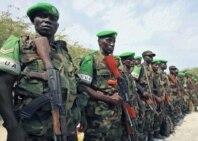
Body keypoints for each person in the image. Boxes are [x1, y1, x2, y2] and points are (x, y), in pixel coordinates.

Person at [0, 2, 79, 141]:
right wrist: (12, 127)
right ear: (33, 21)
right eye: (42, 16)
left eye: (52, 18)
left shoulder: (64, 54)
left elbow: (74, 90)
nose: (47, 20)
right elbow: (3, 85)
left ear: (57, 26)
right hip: (31, 132)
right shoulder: (18, 44)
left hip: (65, 129)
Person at [77, 30, 123, 141]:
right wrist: (108, 98)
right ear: (99, 42)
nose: (112, 44)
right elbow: (82, 87)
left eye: (114, 41)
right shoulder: (90, 59)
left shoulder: (114, 62)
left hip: (114, 113)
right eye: (108, 40)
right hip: (97, 116)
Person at [131, 50, 156, 141]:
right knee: (142, 120)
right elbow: (133, 80)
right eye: (149, 56)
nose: (151, 58)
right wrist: (142, 91)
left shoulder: (150, 69)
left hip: (149, 98)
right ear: (144, 57)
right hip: (141, 98)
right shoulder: (139, 67)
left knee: (149, 119)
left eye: (152, 56)